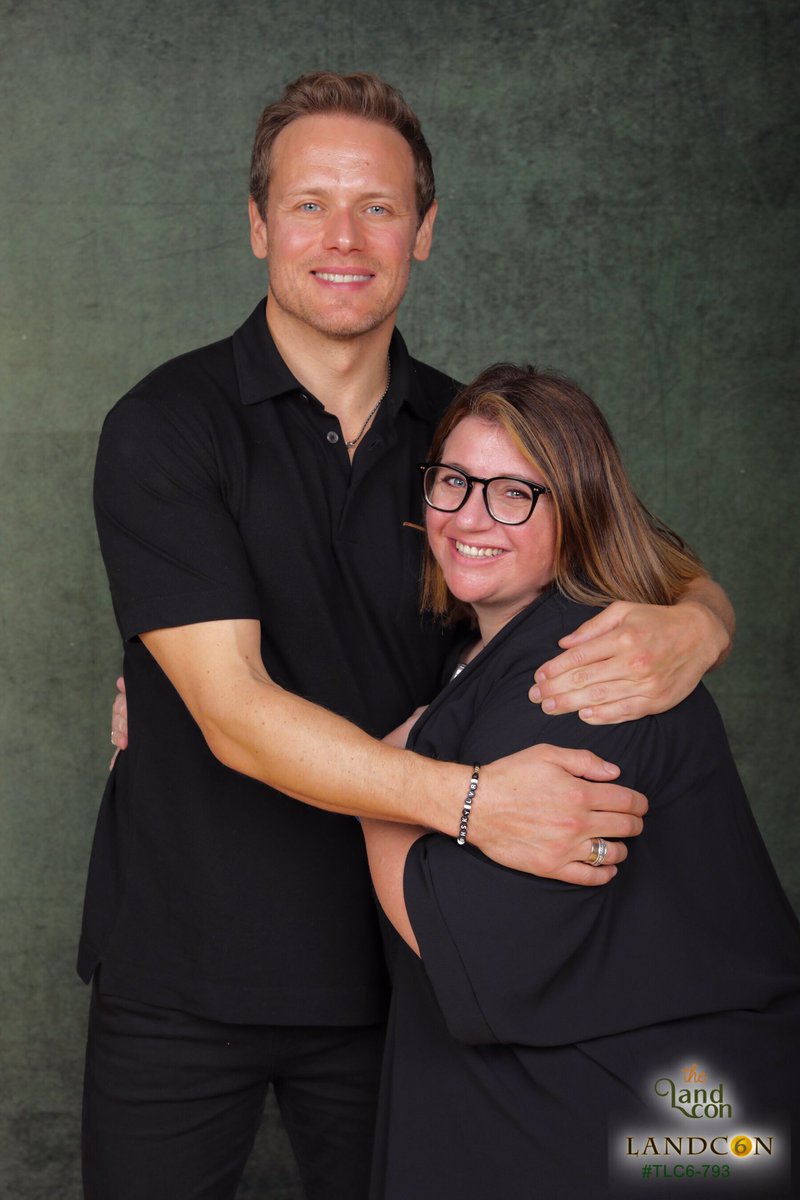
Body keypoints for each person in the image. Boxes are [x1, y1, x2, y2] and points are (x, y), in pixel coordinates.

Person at [83, 72, 733, 1199]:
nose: (343, 237)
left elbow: (652, 558)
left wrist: (699, 623)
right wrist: (475, 802)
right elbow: (234, 713)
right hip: (182, 966)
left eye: (377, 206)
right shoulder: (164, 425)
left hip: (403, 973)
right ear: (256, 225)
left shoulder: (473, 430)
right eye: (308, 203)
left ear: (423, 231)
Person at [362, 364, 800, 1200]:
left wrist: (377, 788)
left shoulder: (585, 681)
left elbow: (472, 940)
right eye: (454, 481)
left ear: (580, 511)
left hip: (628, 1125)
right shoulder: (480, 653)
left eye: (516, 493)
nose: (469, 517)